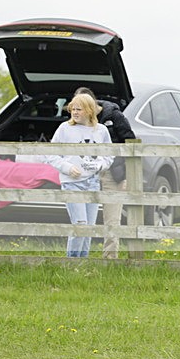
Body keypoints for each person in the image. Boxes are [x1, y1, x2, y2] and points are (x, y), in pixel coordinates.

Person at [47, 93, 113, 258]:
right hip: (72, 183)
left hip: (93, 182)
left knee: (89, 227)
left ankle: (83, 262)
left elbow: (109, 154)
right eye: (73, 109)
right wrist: (67, 168)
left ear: (89, 111)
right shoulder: (65, 129)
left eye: (79, 109)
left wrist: (100, 165)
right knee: (80, 224)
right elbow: (51, 154)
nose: (75, 113)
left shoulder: (101, 131)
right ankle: (72, 261)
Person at [74, 87, 136, 258]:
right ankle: (80, 256)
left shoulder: (114, 116)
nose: (78, 111)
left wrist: (125, 175)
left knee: (112, 217)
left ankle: (110, 258)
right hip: (87, 172)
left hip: (112, 172)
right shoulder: (78, 120)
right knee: (82, 217)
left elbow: (131, 142)